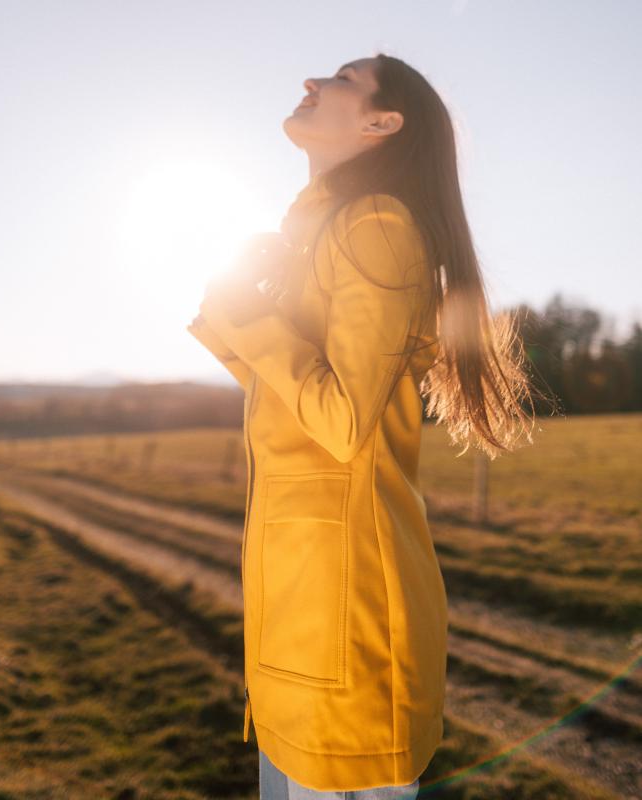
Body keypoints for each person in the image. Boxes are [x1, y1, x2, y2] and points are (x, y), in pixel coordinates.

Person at [187, 52, 540, 799]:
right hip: (299, 617)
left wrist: (250, 319)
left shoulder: (378, 225)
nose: (311, 82)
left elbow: (342, 421)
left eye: (342, 78)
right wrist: (235, 312)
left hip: (350, 626)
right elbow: (296, 403)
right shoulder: (324, 234)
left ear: (382, 123)